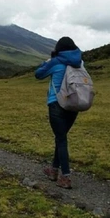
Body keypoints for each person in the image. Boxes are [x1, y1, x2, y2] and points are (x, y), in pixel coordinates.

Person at [35, 36, 82, 189]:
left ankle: (66, 177)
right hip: (74, 105)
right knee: (60, 137)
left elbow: (38, 74)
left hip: (56, 104)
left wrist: (48, 60)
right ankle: (53, 171)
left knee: (61, 139)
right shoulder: (80, 62)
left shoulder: (56, 62)